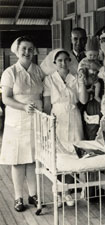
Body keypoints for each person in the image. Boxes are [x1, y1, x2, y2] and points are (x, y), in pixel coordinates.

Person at [0, 36, 45, 212]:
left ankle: (33, 195)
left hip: (35, 120)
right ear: (17, 51)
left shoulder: (38, 71)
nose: (27, 52)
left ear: (34, 52)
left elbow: (43, 93)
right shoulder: (10, 72)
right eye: (24, 49)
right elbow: (6, 98)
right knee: (18, 161)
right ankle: (18, 197)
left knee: (33, 159)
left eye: (30, 49)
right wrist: (23, 106)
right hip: (16, 121)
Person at [43, 48, 88, 207]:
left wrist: (82, 82)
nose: (63, 63)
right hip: (57, 118)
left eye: (65, 60)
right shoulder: (49, 80)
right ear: (54, 63)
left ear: (70, 61)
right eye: (59, 60)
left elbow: (82, 101)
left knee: (73, 154)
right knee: (58, 155)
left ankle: (67, 192)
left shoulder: (75, 78)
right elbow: (47, 105)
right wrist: (48, 123)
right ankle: (58, 192)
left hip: (74, 117)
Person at [78, 36, 102, 103]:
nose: (92, 57)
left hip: (94, 78)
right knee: (83, 87)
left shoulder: (96, 62)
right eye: (90, 55)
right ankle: (88, 92)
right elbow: (81, 67)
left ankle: (96, 96)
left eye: (95, 55)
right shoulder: (84, 61)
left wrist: (99, 69)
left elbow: (100, 69)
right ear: (86, 53)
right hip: (86, 77)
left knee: (98, 85)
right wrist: (81, 71)